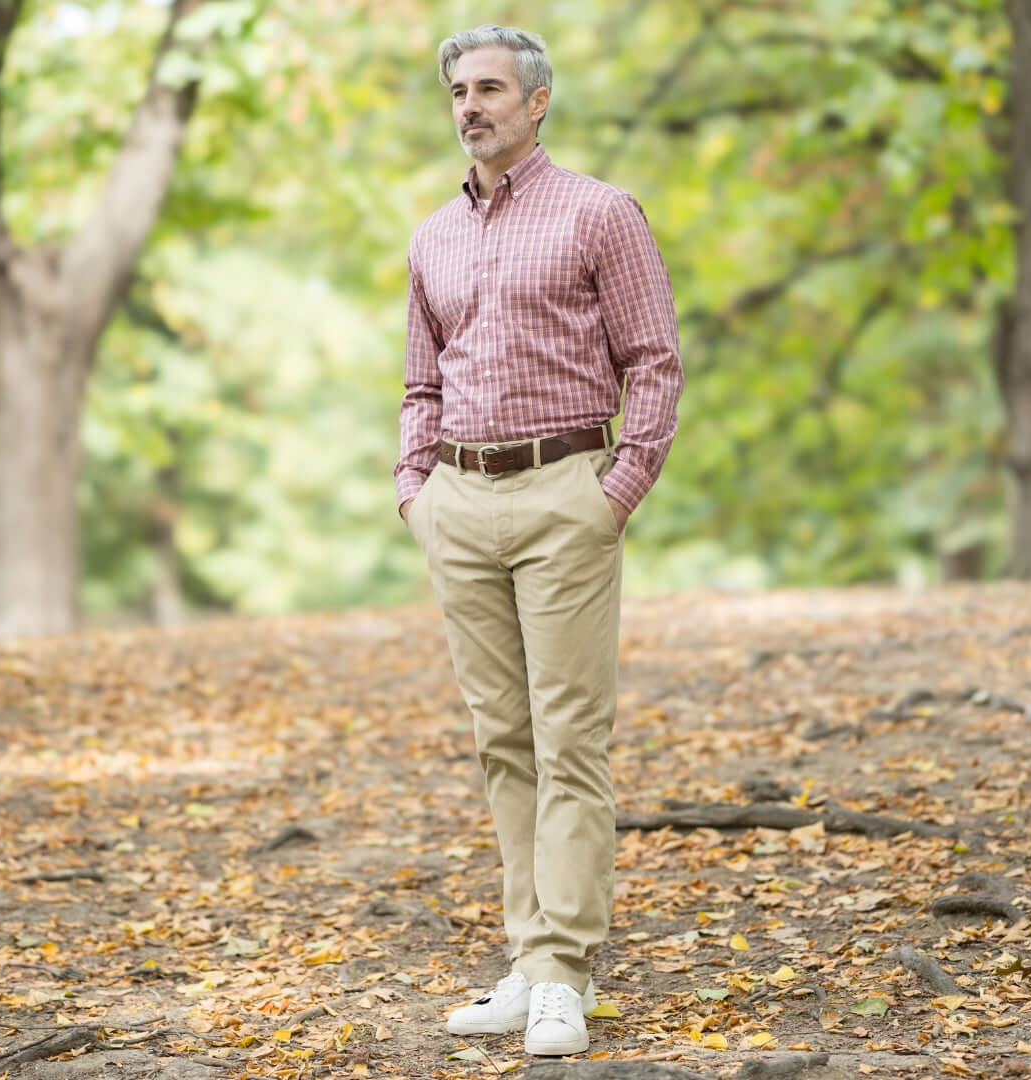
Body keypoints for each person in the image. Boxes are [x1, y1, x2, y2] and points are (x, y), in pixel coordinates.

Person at [394, 24, 683, 1058]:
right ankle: (530, 961)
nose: (469, 106)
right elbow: (420, 381)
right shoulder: (432, 236)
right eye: (457, 92)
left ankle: (564, 970)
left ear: (538, 101)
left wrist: (616, 491)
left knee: (570, 738)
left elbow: (655, 361)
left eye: (489, 89)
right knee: (502, 740)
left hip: (567, 492)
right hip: (459, 500)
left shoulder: (601, 213)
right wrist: (415, 491)